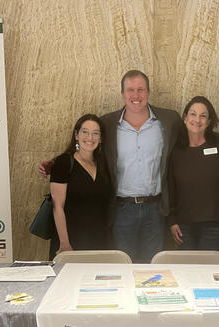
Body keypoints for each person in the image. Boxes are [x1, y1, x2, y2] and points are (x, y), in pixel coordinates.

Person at [39, 70, 182, 263]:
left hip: (155, 210)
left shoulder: (169, 119)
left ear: (148, 92)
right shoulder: (108, 123)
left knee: (152, 268)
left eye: (140, 89)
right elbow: (88, 149)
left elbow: (187, 146)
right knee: (121, 266)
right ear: (123, 94)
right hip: (121, 210)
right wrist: (57, 164)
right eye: (130, 90)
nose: (136, 95)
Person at [167, 96, 219, 252]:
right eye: (193, 114)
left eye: (203, 116)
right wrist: (172, 221)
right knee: (187, 274)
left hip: (215, 227)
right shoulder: (175, 149)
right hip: (184, 228)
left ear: (209, 122)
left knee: (211, 274)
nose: (197, 119)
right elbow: (170, 187)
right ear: (184, 118)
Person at [48, 114, 112, 258]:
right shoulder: (63, 162)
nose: (90, 138)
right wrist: (64, 243)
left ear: (101, 138)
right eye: (85, 132)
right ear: (76, 135)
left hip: (100, 239)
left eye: (95, 133)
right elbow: (57, 206)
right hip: (71, 239)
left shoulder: (103, 164)